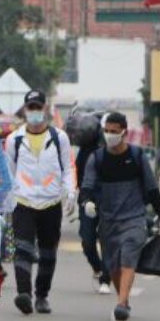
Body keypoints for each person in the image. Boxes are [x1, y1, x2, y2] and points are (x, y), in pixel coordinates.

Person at [80, 112, 160, 321]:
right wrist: (87, 202)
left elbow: (151, 187)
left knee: (128, 255)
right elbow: (87, 186)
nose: (110, 135)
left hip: (134, 217)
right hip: (108, 220)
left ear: (124, 132)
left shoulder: (136, 157)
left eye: (114, 131)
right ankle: (124, 300)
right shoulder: (97, 158)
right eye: (106, 131)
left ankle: (121, 304)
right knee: (113, 265)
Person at [5, 90, 76, 316]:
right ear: (25, 111)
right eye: (31, 108)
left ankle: (42, 295)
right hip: (23, 201)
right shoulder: (14, 139)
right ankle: (24, 293)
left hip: (50, 201)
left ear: (45, 109)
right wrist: (8, 202)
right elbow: (10, 172)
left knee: (48, 253)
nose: (34, 112)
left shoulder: (59, 138)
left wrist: (70, 192)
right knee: (23, 248)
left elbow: (68, 167)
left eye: (38, 107)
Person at [68, 110, 113, 295]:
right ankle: (98, 268)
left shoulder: (108, 149)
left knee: (106, 240)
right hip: (87, 200)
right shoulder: (85, 152)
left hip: (108, 201)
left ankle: (106, 279)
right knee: (87, 241)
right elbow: (77, 174)